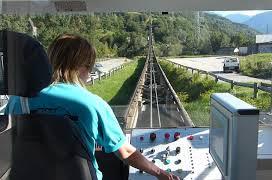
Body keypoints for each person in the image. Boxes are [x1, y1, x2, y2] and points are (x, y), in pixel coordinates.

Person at [6, 34, 179, 180]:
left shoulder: (19, 101)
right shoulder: (92, 104)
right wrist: (160, 173)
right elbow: (125, 152)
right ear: (83, 66)